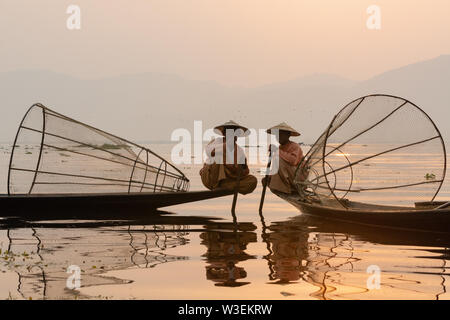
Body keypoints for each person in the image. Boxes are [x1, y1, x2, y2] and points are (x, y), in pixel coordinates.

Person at [200, 120, 257, 195]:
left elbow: (245, 171)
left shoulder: (239, 151)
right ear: (224, 134)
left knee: (252, 180)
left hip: (230, 180)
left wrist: (238, 169)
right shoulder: (217, 142)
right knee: (217, 157)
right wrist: (226, 146)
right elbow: (210, 153)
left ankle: (228, 185)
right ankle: (219, 185)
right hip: (212, 178)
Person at [263, 122, 304, 194]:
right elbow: (279, 169)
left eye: (281, 134)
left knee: (279, 159)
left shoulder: (295, 146)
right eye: (277, 135)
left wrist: (276, 150)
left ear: (288, 135)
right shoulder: (280, 148)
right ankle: (285, 188)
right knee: (267, 179)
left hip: (298, 178)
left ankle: (288, 188)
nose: (278, 137)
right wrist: (269, 177)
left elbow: (293, 161)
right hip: (291, 177)